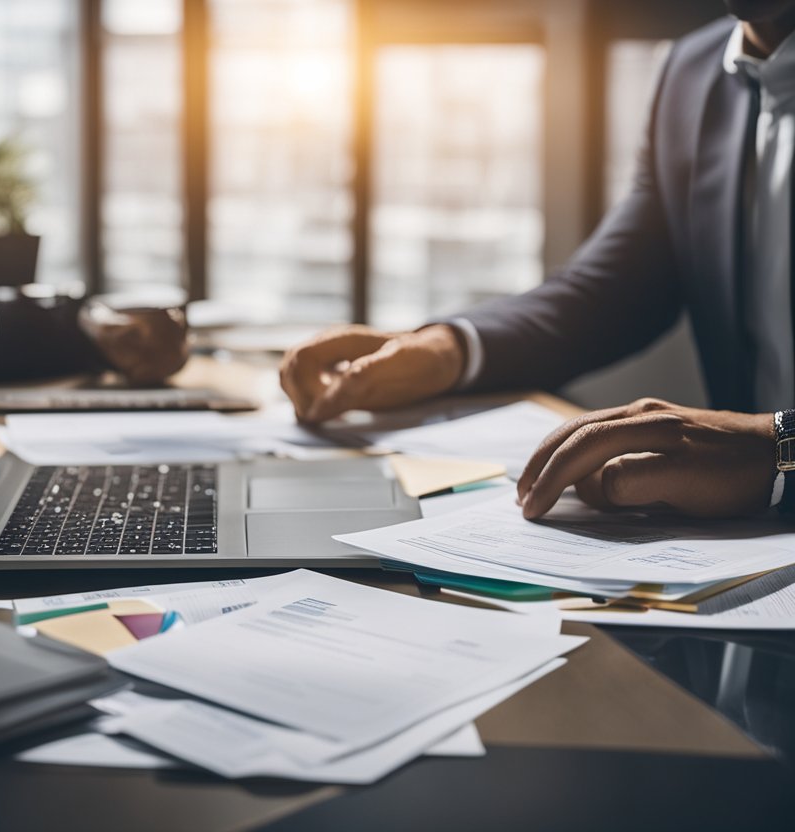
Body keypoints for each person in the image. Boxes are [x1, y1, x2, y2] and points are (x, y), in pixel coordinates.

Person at [281, 2, 795, 521]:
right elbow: (615, 291)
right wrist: (445, 351)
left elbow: (769, 451)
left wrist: (778, 447)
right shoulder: (694, 70)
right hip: (752, 548)